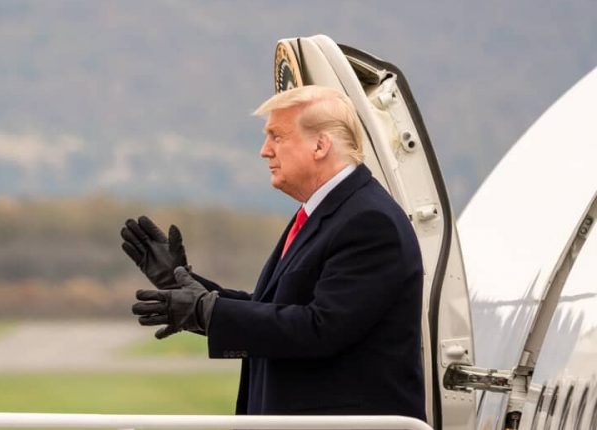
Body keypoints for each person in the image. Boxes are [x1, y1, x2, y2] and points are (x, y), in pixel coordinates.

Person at [121, 85, 426, 419]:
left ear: (320, 145)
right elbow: (273, 309)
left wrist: (207, 312)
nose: (264, 151)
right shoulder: (328, 212)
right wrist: (186, 288)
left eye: (277, 137)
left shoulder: (370, 221)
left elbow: (320, 329)